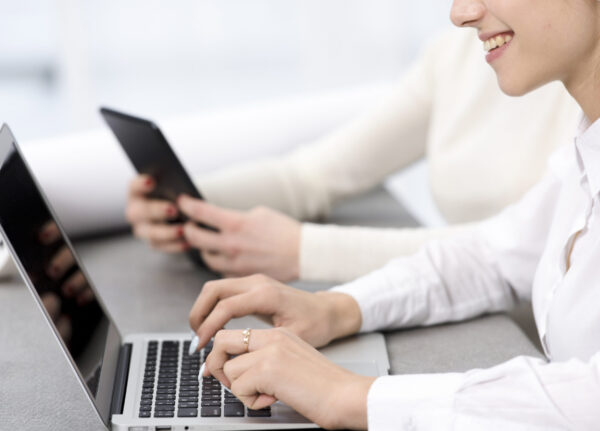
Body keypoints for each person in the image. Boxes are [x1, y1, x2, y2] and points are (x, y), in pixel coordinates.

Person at [182, 0, 600, 429]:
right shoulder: (585, 147)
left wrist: (347, 394)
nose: (460, 13)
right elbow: (491, 255)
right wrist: (335, 308)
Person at [125, 26, 579, 284]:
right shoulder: (463, 51)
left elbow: (520, 251)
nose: (460, 13)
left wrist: (304, 250)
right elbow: (313, 176)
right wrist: (187, 198)